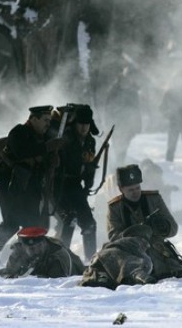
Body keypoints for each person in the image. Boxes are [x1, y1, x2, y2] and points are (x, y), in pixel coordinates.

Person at [0, 106, 64, 263]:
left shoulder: (42, 137)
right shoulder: (19, 132)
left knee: (32, 224)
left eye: (49, 120)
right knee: (11, 222)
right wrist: (48, 147)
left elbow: (40, 162)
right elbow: (22, 151)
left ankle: (25, 257)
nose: (47, 124)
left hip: (31, 187)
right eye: (45, 120)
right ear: (33, 119)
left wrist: (52, 161)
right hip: (11, 186)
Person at [106, 164, 182, 278]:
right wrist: (135, 234)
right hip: (130, 253)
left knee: (177, 271)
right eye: (130, 190)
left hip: (157, 250)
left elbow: (173, 228)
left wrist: (162, 226)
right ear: (121, 189)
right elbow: (113, 236)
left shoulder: (154, 199)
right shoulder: (115, 207)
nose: (135, 192)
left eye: (137, 188)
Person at [54, 105, 98, 261]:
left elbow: (89, 164)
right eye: (81, 123)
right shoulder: (64, 139)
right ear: (75, 123)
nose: (84, 127)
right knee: (68, 220)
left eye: (87, 124)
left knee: (89, 224)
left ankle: (91, 260)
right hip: (58, 186)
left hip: (76, 187)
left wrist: (88, 181)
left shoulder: (90, 142)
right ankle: (61, 258)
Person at [0, 226, 85, 278]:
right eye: (30, 248)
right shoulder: (18, 252)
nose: (35, 250)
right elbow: (9, 273)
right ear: (23, 246)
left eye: (38, 246)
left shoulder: (56, 256)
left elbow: (56, 282)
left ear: (43, 243)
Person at [104, 68, 142, 166]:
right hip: (116, 122)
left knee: (124, 146)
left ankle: (119, 164)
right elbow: (108, 108)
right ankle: (117, 165)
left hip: (128, 124)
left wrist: (138, 124)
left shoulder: (133, 92)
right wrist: (107, 122)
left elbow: (137, 109)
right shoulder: (114, 90)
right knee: (118, 146)